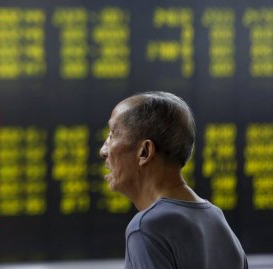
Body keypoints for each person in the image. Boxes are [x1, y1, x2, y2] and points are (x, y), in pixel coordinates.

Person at [99, 91, 248, 269]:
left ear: (145, 152)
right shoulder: (216, 220)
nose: (103, 150)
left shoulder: (147, 228)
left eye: (112, 135)